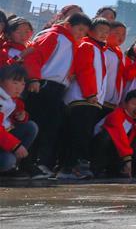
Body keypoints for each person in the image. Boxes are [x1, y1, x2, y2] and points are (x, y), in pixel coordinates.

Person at [23, 12, 91, 175]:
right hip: (43, 85)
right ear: (68, 25)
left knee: (51, 126)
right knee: (39, 125)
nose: (81, 34)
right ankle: (29, 164)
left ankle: (41, 164)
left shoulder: (71, 43)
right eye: (79, 29)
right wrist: (34, 79)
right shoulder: (54, 36)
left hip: (57, 89)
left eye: (84, 32)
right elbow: (34, 57)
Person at [59, 17, 112, 180]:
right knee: (79, 133)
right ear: (91, 30)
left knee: (83, 133)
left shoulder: (98, 49)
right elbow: (84, 70)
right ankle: (69, 168)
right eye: (101, 30)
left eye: (107, 32)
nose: (104, 34)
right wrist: (90, 93)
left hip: (90, 100)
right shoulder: (87, 45)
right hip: (82, 98)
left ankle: (74, 166)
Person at [91, 89, 136, 179]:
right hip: (102, 150)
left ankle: (124, 169)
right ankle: (97, 168)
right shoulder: (116, 115)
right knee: (106, 136)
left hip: (121, 154)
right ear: (125, 104)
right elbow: (119, 137)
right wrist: (127, 160)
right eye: (134, 104)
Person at [0, 64, 40, 176]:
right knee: (7, 161)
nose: (19, 88)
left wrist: (22, 116)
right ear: (1, 81)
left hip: (4, 138)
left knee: (30, 127)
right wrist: (15, 146)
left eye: (22, 84)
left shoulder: (11, 99)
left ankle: (13, 166)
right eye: (15, 83)